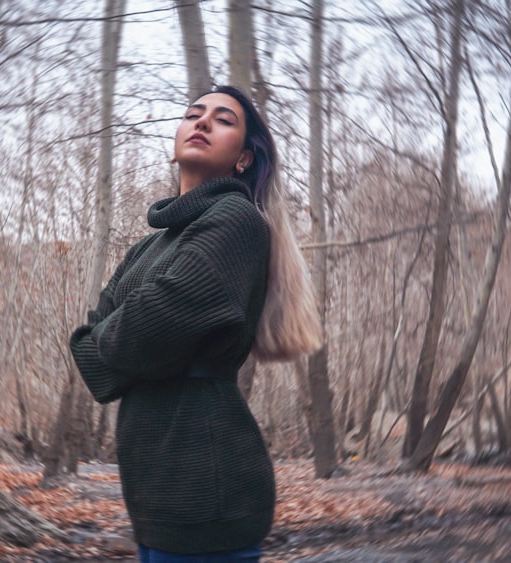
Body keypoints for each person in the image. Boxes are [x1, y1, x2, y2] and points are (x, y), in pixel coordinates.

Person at [69, 85, 322, 562]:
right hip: (155, 500)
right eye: (193, 114)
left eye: (224, 119)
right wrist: (121, 338)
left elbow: (144, 333)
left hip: (208, 496)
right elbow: (91, 361)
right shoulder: (149, 248)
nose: (202, 122)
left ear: (244, 159)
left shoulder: (237, 221)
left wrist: (118, 336)